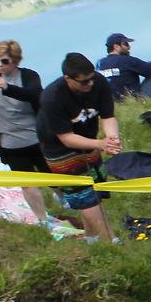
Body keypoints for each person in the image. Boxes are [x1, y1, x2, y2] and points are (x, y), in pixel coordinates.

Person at [37, 53, 121, 243]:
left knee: (95, 192)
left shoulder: (98, 82)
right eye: (84, 82)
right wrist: (100, 144)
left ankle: (91, 239)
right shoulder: (51, 97)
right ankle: (111, 242)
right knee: (84, 197)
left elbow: (108, 116)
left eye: (92, 79)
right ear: (68, 78)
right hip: (59, 149)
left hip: (89, 141)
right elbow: (67, 138)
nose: (90, 84)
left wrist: (112, 139)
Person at [0, 39, 50, 223]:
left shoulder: (28, 76)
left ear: (15, 60)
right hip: (10, 144)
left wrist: (6, 88)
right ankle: (42, 221)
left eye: (4, 61)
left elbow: (34, 94)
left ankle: (65, 199)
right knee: (27, 184)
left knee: (53, 177)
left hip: (37, 139)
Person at [97, 33, 151, 99]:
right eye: (126, 44)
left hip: (109, 102)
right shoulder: (127, 60)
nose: (129, 47)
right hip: (133, 100)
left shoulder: (99, 63)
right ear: (116, 46)